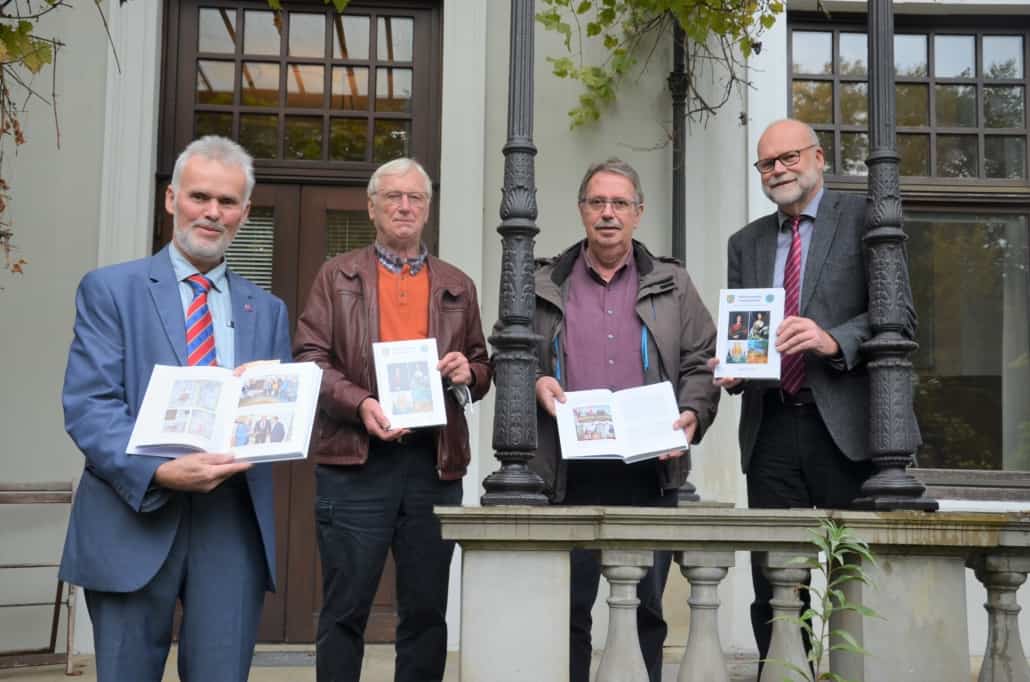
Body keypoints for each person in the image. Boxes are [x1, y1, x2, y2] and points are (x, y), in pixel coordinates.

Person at [59, 135, 292, 681]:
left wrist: (272, 407)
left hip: (231, 526)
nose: (212, 212)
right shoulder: (110, 290)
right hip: (131, 517)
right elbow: (90, 405)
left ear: (245, 213)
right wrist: (158, 469)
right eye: (199, 197)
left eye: (227, 202)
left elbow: (274, 420)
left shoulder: (268, 310)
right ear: (171, 199)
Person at [711, 118, 918, 667]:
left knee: (856, 577)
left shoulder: (864, 218)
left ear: (819, 157)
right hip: (771, 424)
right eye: (766, 164)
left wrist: (832, 339)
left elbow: (901, 318)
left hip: (848, 427)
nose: (777, 170)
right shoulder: (746, 242)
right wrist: (735, 366)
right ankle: (784, 675)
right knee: (776, 579)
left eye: (788, 158)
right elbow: (747, 330)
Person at [293, 157, 492, 682]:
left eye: (416, 198)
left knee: (426, 613)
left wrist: (466, 371)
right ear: (372, 207)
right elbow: (310, 360)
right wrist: (361, 403)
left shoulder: (457, 284)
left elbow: (484, 364)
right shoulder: (336, 277)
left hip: (433, 466)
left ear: (427, 209)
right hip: (354, 464)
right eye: (393, 197)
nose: (405, 206)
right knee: (345, 610)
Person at [532, 158, 721, 682]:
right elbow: (514, 355)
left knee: (646, 611)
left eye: (619, 203)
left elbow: (701, 360)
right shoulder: (545, 282)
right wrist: (535, 382)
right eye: (597, 202)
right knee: (568, 611)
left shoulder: (673, 283)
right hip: (568, 474)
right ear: (581, 211)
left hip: (648, 473)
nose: (608, 213)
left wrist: (692, 412)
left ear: (638, 213)